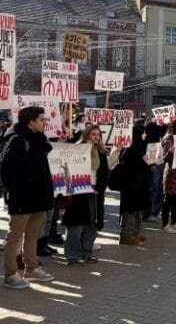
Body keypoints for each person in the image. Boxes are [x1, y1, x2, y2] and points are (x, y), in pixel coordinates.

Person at [2, 106, 56, 289]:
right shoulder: (17, 140)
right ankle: (10, 274)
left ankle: (32, 268)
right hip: (22, 198)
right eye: (42, 119)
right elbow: (11, 171)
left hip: (38, 197)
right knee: (14, 237)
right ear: (30, 121)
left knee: (32, 234)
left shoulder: (38, 140)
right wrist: (16, 194)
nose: (45, 122)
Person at [64, 126, 118, 265]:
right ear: (87, 135)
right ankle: (74, 255)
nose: (96, 137)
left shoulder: (100, 151)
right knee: (76, 226)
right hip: (78, 193)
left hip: (94, 192)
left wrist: (99, 188)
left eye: (98, 135)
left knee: (91, 225)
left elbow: (105, 172)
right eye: (93, 134)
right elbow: (68, 170)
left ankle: (86, 253)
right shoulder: (77, 149)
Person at [119, 126, 151, 245]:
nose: (145, 135)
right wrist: (144, 161)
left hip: (139, 184)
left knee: (138, 208)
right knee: (130, 210)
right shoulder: (131, 147)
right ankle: (126, 235)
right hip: (131, 185)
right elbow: (134, 164)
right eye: (144, 133)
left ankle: (135, 231)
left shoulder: (139, 145)